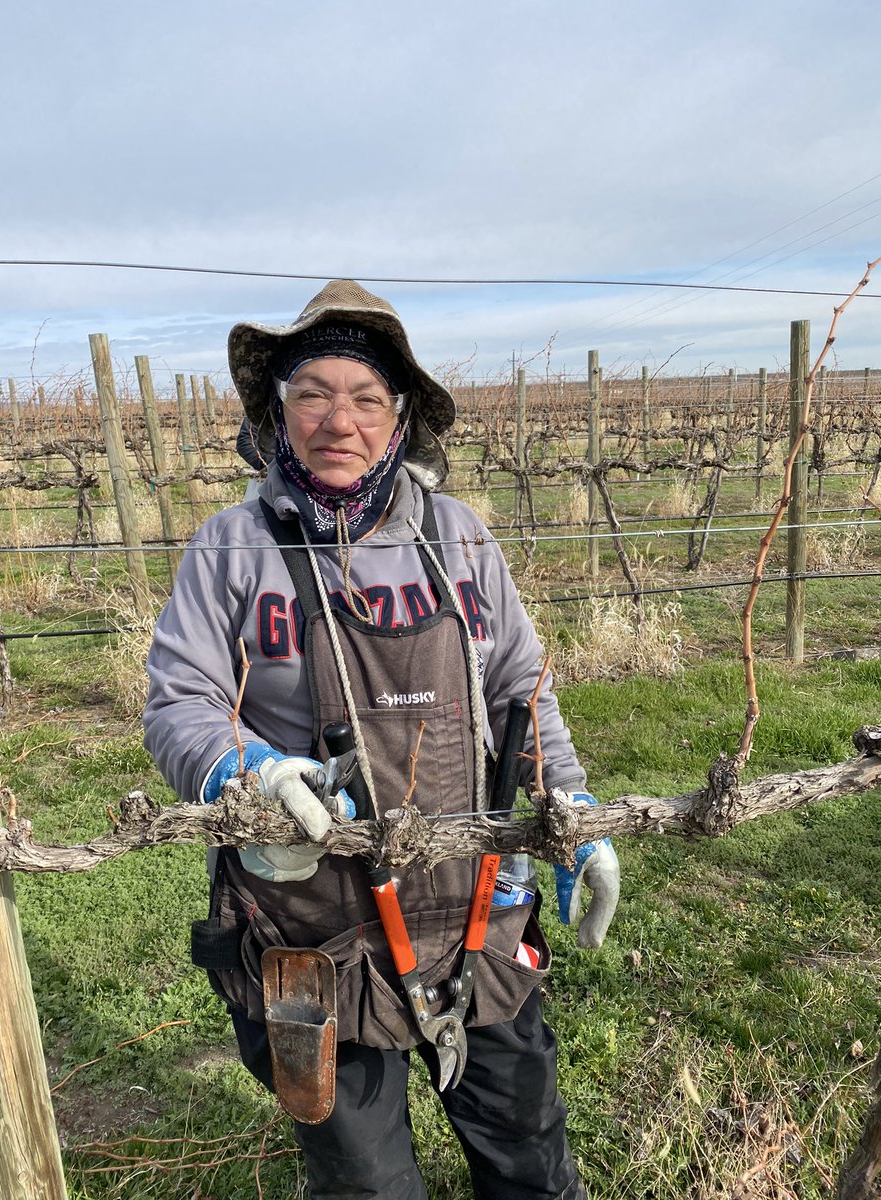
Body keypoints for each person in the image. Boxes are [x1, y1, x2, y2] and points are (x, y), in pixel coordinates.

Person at [143, 279, 620, 1200]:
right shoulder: (230, 549)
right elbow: (178, 703)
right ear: (278, 414)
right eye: (312, 393)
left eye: (365, 397)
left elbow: (521, 686)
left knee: (530, 1158)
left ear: (399, 419)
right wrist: (250, 771)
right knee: (365, 1184)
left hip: (477, 911)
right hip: (313, 932)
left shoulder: (458, 537)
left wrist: (573, 808)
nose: (339, 419)